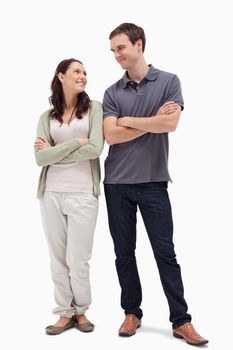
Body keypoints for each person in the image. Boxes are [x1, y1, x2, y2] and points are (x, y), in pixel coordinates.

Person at [103, 23, 208, 346]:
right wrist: (151, 122)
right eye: (113, 51)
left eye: (121, 48)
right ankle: (132, 312)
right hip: (116, 183)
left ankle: (181, 321)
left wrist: (129, 120)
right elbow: (110, 135)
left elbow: (171, 123)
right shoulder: (111, 92)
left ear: (138, 44)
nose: (117, 55)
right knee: (124, 253)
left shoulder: (169, 81)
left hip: (153, 182)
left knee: (165, 253)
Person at [34, 58, 104, 335]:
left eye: (85, 72)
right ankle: (64, 313)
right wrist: (76, 142)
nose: (83, 76)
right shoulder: (46, 116)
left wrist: (56, 151)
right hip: (51, 192)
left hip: (84, 193)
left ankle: (82, 311)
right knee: (57, 257)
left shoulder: (94, 109)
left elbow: (96, 149)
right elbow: (40, 158)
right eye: (77, 71)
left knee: (78, 258)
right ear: (61, 76)